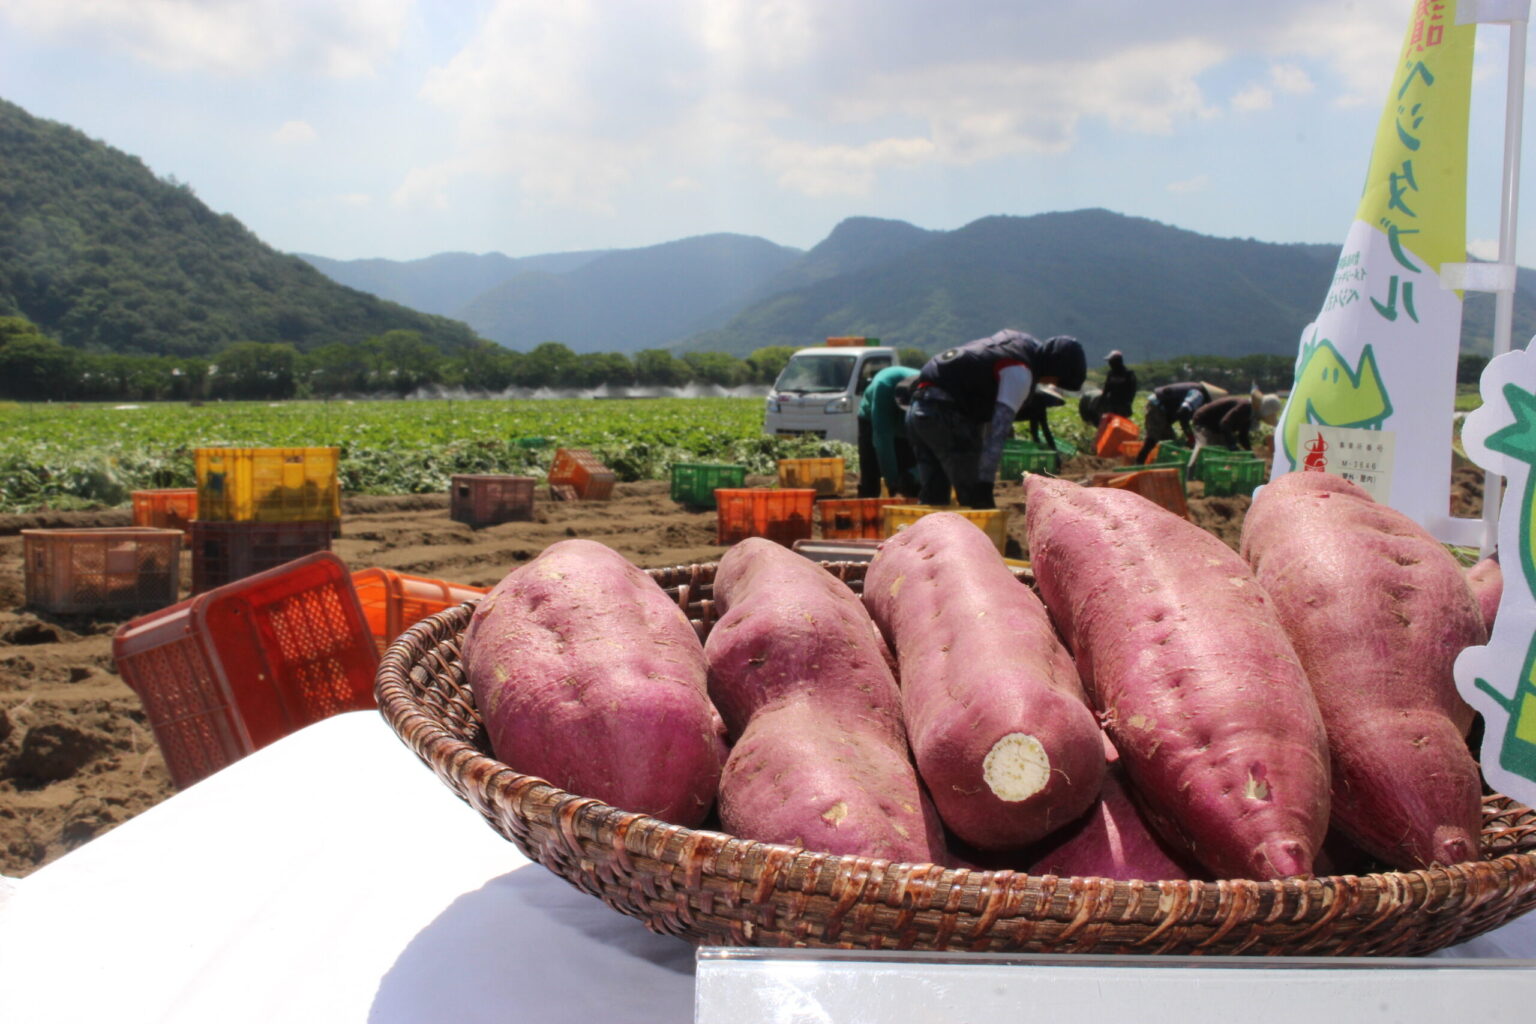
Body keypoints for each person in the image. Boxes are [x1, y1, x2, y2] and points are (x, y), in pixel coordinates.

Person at [905, 330, 1087, 509]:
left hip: (918, 408)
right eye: (1054, 380)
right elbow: (998, 431)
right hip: (946, 415)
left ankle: (926, 538)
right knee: (974, 499)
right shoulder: (1020, 372)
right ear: (1054, 367)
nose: (1048, 383)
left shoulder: (1017, 341)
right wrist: (984, 483)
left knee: (934, 495)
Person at [856, 364, 921, 499]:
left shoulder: (929, 388)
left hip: (911, 417)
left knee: (908, 468)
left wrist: (914, 474)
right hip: (870, 417)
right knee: (871, 467)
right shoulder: (883, 387)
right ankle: (869, 500)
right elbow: (882, 440)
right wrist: (893, 484)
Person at [1134, 380, 1224, 464]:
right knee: (1153, 437)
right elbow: (1183, 412)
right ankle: (1138, 463)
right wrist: (1189, 435)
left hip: (1162, 409)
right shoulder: (1198, 395)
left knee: (1169, 441)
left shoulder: (1196, 391)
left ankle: (1163, 466)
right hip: (1157, 407)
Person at [1190, 388, 1282, 453]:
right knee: (1208, 449)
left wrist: (1249, 452)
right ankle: (1191, 473)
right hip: (1204, 422)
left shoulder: (1250, 413)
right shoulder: (1245, 407)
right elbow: (1225, 423)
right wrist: (1232, 445)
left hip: (1216, 425)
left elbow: (1243, 436)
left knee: (1223, 448)